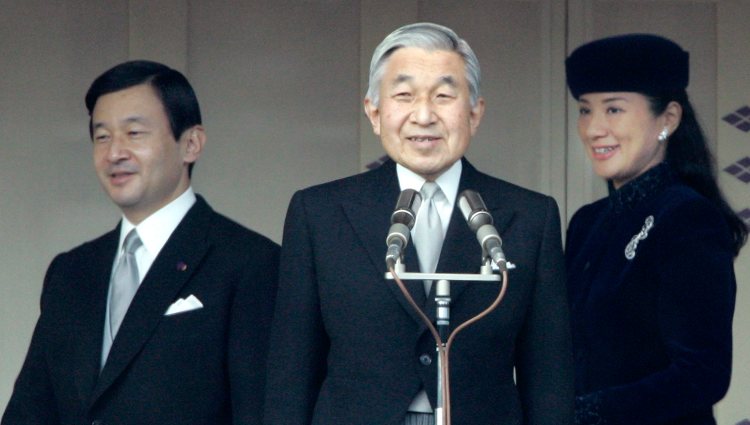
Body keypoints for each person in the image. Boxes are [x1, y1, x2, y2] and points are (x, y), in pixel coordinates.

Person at [264, 22, 573, 425]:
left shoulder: (531, 217)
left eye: (444, 96)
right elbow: (292, 371)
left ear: (475, 112)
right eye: (404, 96)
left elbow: (548, 376)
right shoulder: (319, 213)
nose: (424, 115)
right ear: (374, 112)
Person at [2, 60, 279, 425]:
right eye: (102, 137)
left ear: (191, 143)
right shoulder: (71, 272)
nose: (114, 152)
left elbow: (260, 410)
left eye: (134, 133)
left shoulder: (249, 262)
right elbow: (31, 410)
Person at [564, 34, 747, 424]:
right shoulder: (586, 223)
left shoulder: (686, 217)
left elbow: (704, 374)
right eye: (584, 110)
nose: (594, 128)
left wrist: (587, 413)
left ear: (669, 119)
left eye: (613, 110)